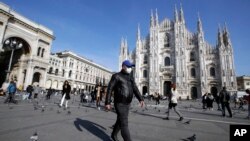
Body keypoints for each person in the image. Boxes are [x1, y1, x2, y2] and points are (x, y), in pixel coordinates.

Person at [105, 60, 144, 141]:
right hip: (119, 103)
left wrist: (140, 99)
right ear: (123, 66)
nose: (130, 68)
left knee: (120, 120)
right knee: (124, 123)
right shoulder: (116, 76)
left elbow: (135, 89)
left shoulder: (130, 77)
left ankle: (113, 135)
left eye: (131, 67)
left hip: (127, 103)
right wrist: (107, 102)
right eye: (129, 67)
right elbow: (110, 88)